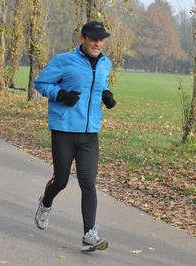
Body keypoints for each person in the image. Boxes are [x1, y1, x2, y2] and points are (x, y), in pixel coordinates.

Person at [33, 21, 117, 252]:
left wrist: (107, 94)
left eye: (101, 39)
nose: (98, 43)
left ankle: (89, 235)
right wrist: (60, 93)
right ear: (82, 39)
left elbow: (99, 85)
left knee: (88, 183)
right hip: (64, 131)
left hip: (90, 134)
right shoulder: (64, 60)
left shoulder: (105, 63)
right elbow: (40, 83)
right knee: (61, 180)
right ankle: (45, 202)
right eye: (93, 39)